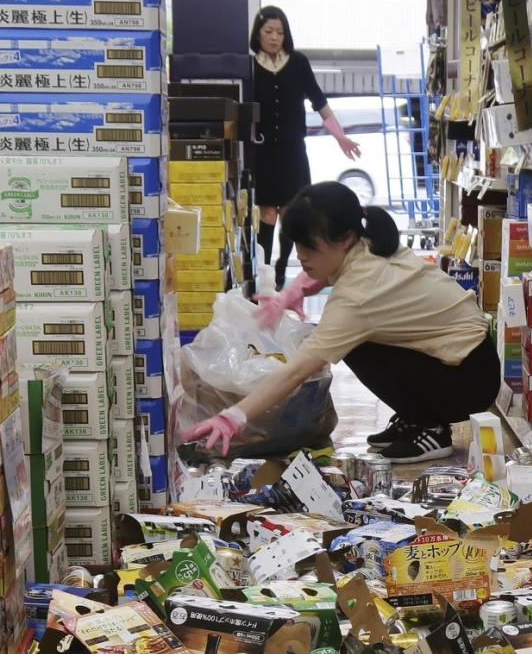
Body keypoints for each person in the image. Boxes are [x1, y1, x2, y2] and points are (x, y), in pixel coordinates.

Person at [183, 182, 501, 463]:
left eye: (309, 247)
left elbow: (297, 371)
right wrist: (290, 293)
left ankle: (433, 427)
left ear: (345, 237)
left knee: (346, 342)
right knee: (350, 339)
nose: (301, 256)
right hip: (470, 360)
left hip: (467, 380)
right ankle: (418, 416)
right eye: (297, 245)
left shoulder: (358, 295)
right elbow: (322, 272)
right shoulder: (371, 239)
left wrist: (232, 417)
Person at [250, 6, 362, 290]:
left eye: (280, 32)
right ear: (258, 34)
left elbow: (319, 102)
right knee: (267, 214)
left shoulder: (298, 62)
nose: (274, 37)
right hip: (262, 151)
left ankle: (279, 271)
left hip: (292, 151)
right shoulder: (250, 66)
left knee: (290, 212)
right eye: (268, 32)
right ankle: (261, 272)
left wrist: (340, 137)